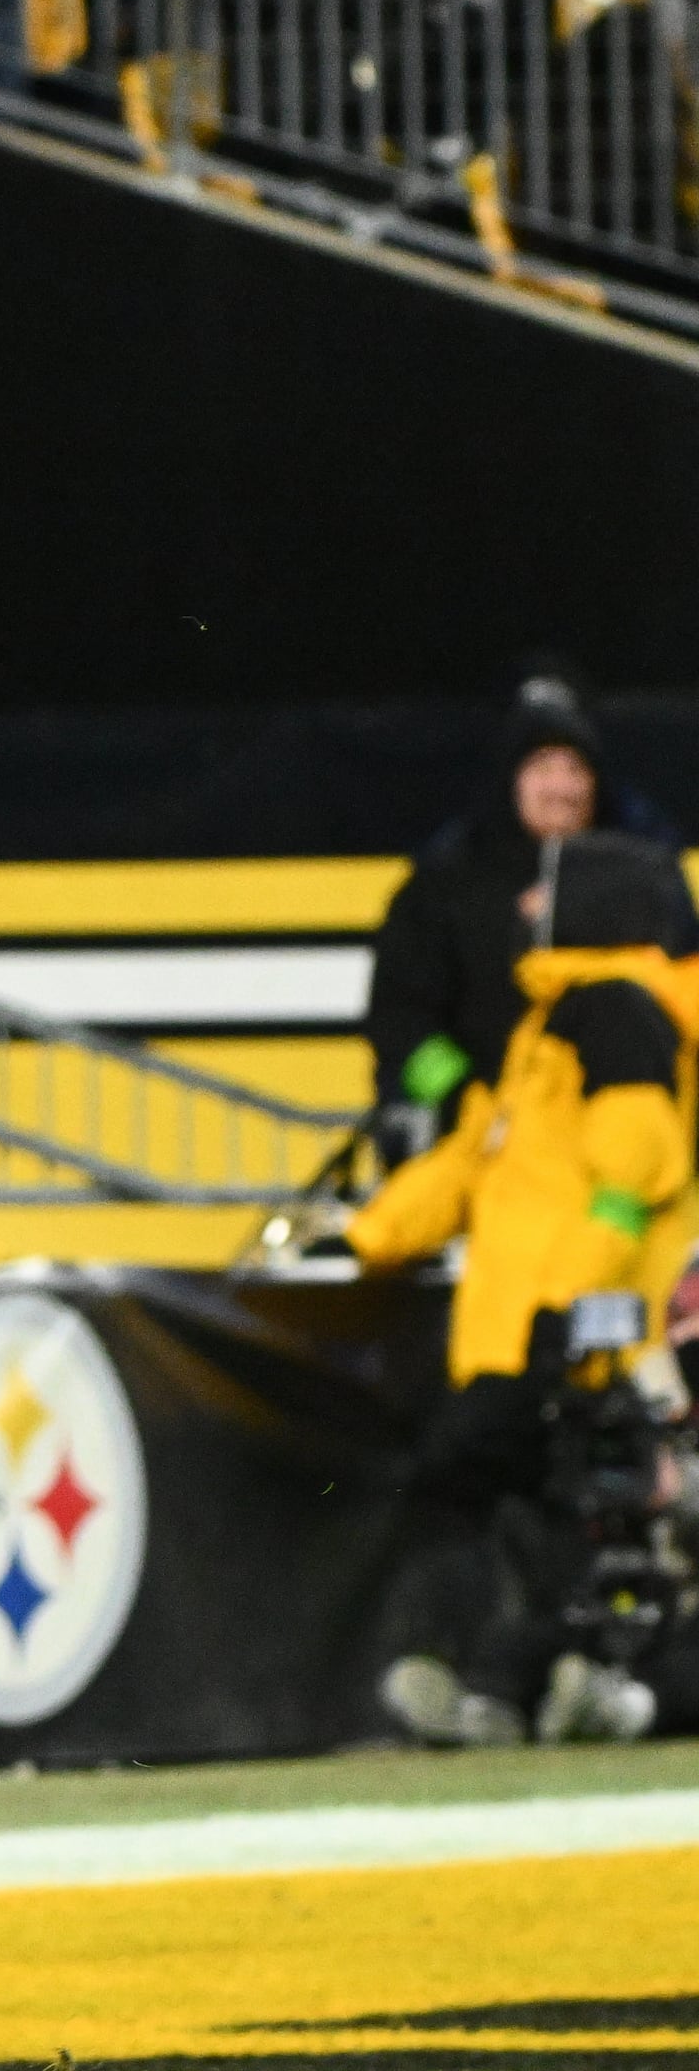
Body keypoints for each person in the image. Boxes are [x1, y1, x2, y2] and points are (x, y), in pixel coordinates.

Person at [348, 832, 699, 1746]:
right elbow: (480, 1160)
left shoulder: (614, 1012)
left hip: (570, 1328)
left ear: (590, 906)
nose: (524, 911)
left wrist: (568, 1314)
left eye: (544, 894)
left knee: (481, 1490)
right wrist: (367, 1231)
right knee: (532, 1517)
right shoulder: (553, 1026)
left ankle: (488, 1674)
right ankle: (500, 1689)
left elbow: (633, 1174)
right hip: (530, 1327)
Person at [366, 675, 699, 1165]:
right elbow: (399, 1023)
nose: (563, 788)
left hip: (615, 1150)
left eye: (577, 770)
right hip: (481, 1152)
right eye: (543, 768)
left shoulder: (647, 878)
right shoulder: (443, 884)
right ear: (510, 780)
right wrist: (463, 1101)